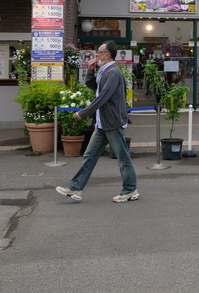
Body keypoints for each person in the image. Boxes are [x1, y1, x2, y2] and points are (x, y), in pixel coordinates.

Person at [56, 40, 139, 203]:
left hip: (113, 122)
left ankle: (130, 189)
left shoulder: (113, 72)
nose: (96, 55)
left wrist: (83, 113)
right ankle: (75, 188)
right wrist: (90, 70)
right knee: (90, 155)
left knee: (122, 158)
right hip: (103, 123)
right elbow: (93, 86)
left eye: (99, 52)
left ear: (106, 55)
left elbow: (103, 97)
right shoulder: (104, 70)